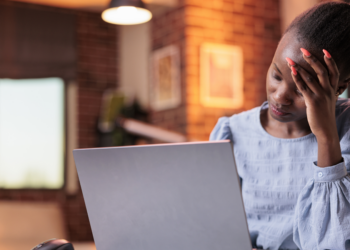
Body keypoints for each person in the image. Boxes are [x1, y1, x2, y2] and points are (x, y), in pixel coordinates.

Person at [210, 2, 350, 250]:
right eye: (276, 75)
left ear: (338, 88)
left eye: (301, 89)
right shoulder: (232, 133)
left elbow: (335, 240)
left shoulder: (346, 128)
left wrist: (326, 136)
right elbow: (213, 224)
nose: (279, 97)